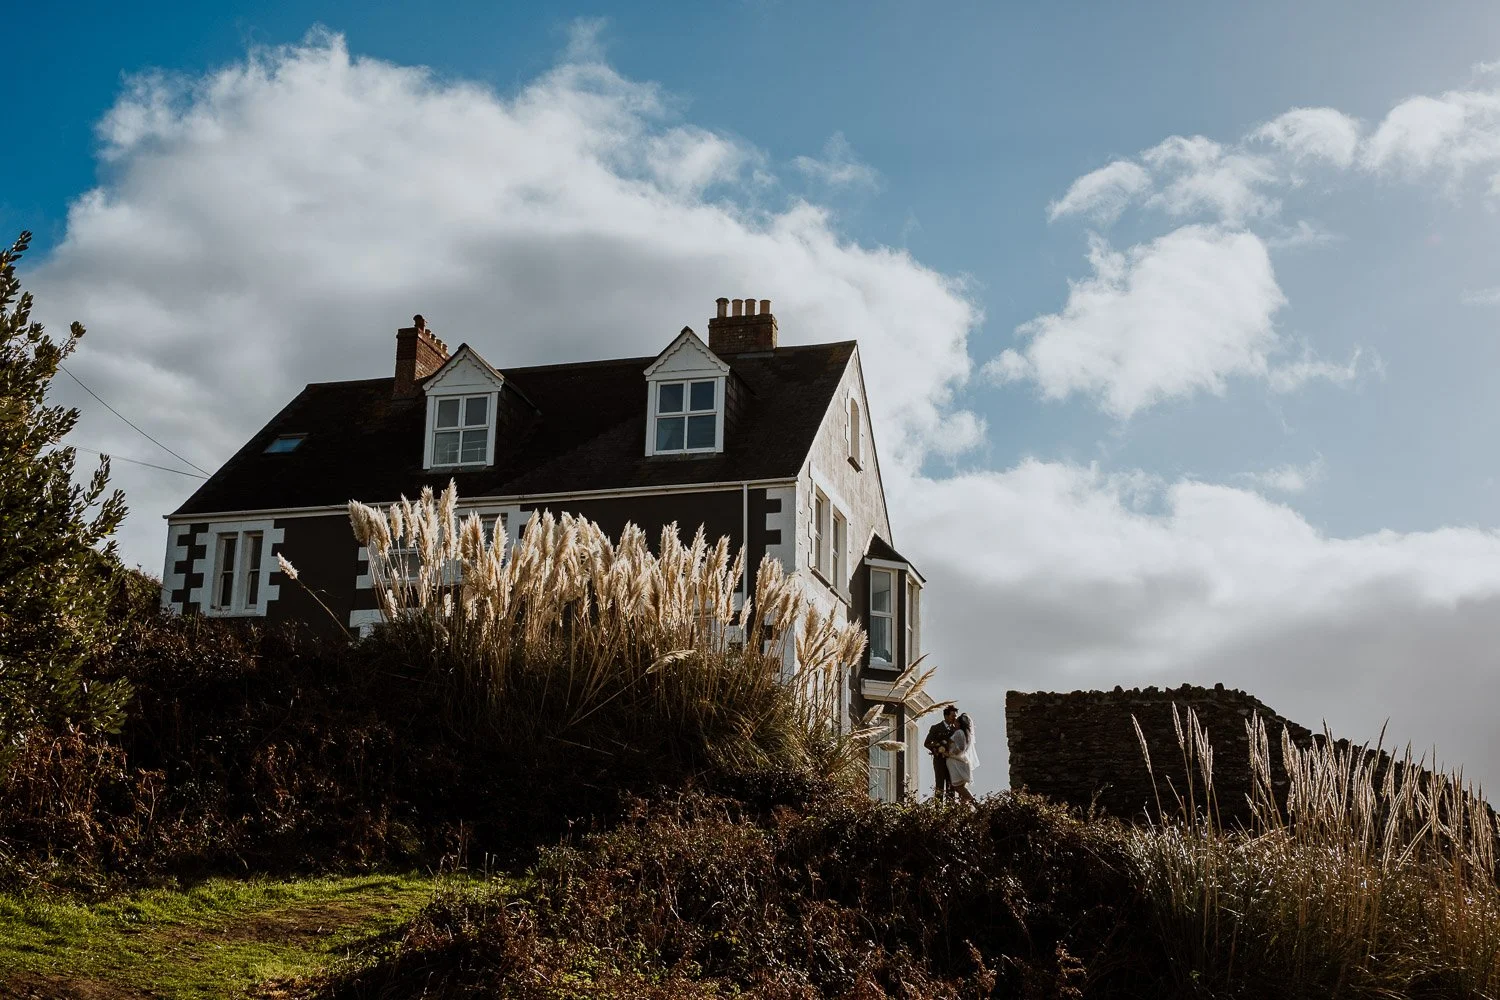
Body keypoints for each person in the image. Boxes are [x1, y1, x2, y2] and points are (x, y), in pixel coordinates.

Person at [924, 706, 959, 801]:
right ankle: (938, 808)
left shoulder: (955, 730)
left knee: (951, 784)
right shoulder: (936, 728)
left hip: (951, 761)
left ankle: (951, 808)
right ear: (946, 716)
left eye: (955, 716)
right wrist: (938, 749)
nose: (955, 718)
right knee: (939, 784)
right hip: (939, 760)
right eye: (953, 716)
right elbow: (927, 743)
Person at [944, 713, 979, 806]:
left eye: (956, 721)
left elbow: (961, 748)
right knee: (961, 791)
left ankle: (975, 804)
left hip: (957, 763)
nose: (954, 723)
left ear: (959, 723)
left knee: (958, 787)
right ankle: (966, 809)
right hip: (959, 762)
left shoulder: (959, 732)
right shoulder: (964, 733)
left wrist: (949, 753)